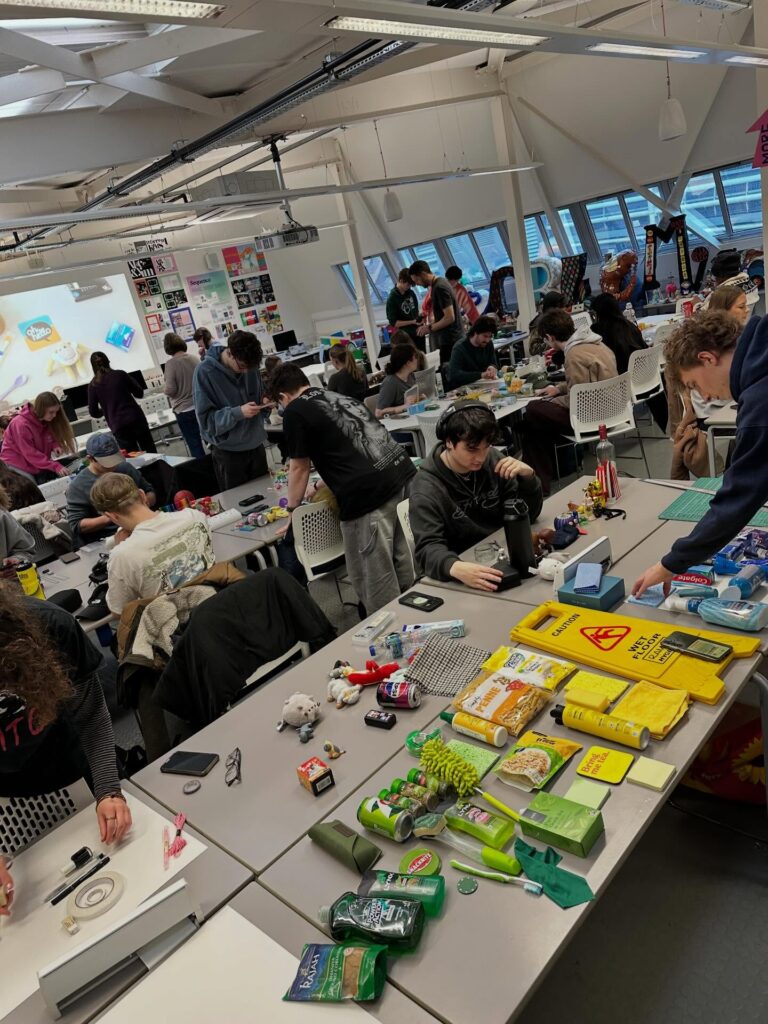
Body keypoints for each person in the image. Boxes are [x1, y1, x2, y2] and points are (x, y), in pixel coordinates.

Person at [0, 587, 131, 914]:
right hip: (4, 806)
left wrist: (108, 790)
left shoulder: (49, 628)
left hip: (71, 771)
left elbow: (90, 716)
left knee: (127, 878)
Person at [633, 311, 766, 597]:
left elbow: (739, 498)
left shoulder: (761, 404)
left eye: (694, 385)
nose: (704, 397)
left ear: (707, 358)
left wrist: (671, 563)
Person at [268, 363, 416, 614]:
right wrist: (319, 484)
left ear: (282, 397)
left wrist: (293, 509)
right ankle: (414, 615)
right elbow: (350, 448)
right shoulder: (335, 396)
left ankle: (390, 631)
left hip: (368, 495)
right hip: (401, 473)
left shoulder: (294, 411)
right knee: (405, 559)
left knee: (373, 577)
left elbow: (298, 468)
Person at [410, 402, 543, 592]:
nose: (481, 457)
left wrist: (529, 478)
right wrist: (454, 567)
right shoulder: (426, 487)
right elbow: (427, 549)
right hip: (464, 571)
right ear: (448, 442)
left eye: (486, 447)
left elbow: (529, 516)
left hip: (504, 556)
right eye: (472, 449)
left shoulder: (493, 460)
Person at [521, 310, 618, 494]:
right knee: (533, 426)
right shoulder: (597, 343)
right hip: (612, 410)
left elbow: (578, 399)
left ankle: (536, 486)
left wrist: (553, 400)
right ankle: (540, 484)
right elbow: (588, 384)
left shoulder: (573, 355)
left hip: (591, 419)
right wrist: (558, 388)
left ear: (549, 337)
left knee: (532, 409)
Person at [91, 472, 214, 615]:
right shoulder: (195, 517)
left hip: (179, 629)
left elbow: (120, 611)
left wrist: (119, 548)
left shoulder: (123, 555)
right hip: (221, 607)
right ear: (143, 495)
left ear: (111, 516)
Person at [193, 330, 274, 490]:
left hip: (256, 445)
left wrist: (265, 402)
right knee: (240, 507)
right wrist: (237, 413)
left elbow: (259, 395)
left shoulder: (250, 367)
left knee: (268, 500)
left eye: (250, 368)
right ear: (229, 353)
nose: (246, 372)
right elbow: (206, 423)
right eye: (242, 367)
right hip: (229, 453)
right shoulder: (205, 372)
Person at [66, 432, 155, 547]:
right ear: (90, 459)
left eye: (114, 459)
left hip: (142, 528)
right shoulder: (78, 486)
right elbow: (77, 525)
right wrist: (116, 515)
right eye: (106, 463)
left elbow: (150, 492)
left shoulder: (125, 468)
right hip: (108, 538)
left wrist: (141, 503)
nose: (112, 466)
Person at [87, 353, 156, 454]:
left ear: (93, 367)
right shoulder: (120, 374)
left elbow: (93, 412)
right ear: (108, 361)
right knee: (150, 451)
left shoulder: (93, 385)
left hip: (118, 425)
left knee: (133, 457)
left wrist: (107, 410)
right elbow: (139, 393)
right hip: (136, 419)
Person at [0, 391, 76, 482]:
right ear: (41, 409)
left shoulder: (43, 418)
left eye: (56, 412)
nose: (55, 415)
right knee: (31, 487)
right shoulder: (20, 424)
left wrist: (54, 444)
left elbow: (48, 434)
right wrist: (55, 466)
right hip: (16, 463)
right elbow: (30, 453)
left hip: (33, 461)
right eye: (51, 412)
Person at [410, 260, 464, 364]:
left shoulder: (439, 287)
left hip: (451, 341)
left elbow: (449, 317)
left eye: (417, 280)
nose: (417, 284)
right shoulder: (440, 283)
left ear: (423, 274)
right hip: (452, 339)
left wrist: (429, 328)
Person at [163, 333, 205, 459]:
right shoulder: (194, 358)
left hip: (184, 410)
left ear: (167, 347)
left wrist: (163, 390)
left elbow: (171, 389)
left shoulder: (170, 364)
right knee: (210, 440)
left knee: (195, 445)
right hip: (201, 405)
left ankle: (206, 474)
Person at [446, 315, 499, 389]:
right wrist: (480, 375)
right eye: (485, 336)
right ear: (476, 332)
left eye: (490, 337)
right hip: (464, 388)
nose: (487, 340)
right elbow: (454, 375)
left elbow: (493, 363)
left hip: (482, 385)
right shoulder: (459, 348)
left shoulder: (488, 343)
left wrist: (492, 367)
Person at [376, 343, 421, 417]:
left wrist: (420, 398)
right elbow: (378, 413)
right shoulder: (390, 383)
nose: (417, 360)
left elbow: (410, 402)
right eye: (415, 357)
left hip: (410, 418)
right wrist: (404, 406)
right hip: (398, 423)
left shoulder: (411, 375)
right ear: (408, 363)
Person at [386, 268, 422, 348]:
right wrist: (412, 321)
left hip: (418, 332)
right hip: (406, 337)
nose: (409, 287)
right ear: (401, 280)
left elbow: (416, 312)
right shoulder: (392, 298)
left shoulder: (411, 293)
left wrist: (419, 319)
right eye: (408, 285)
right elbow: (394, 323)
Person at [529, 291, 566, 356]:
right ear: (552, 307)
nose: (563, 309)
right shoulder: (539, 323)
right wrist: (554, 343)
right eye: (560, 307)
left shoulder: (556, 318)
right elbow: (533, 349)